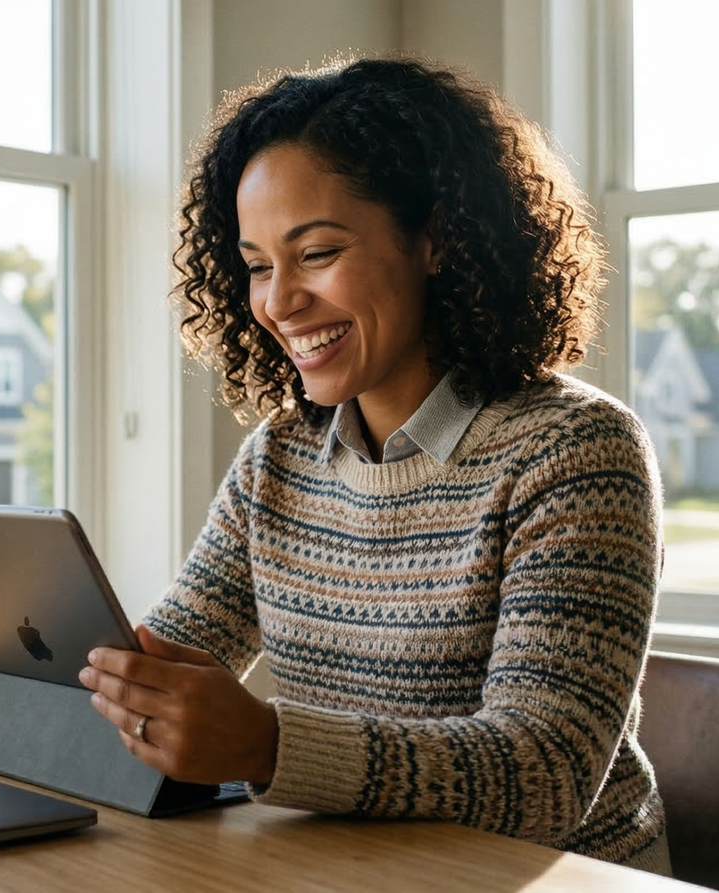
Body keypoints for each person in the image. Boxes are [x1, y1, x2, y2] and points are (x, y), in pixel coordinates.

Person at [77, 55, 670, 874]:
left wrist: (267, 741)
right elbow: (174, 650)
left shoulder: (575, 453)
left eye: (316, 251)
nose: (278, 301)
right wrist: (110, 676)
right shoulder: (279, 458)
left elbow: (546, 773)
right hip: (352, 869)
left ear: (435, 240)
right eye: (256, 265)